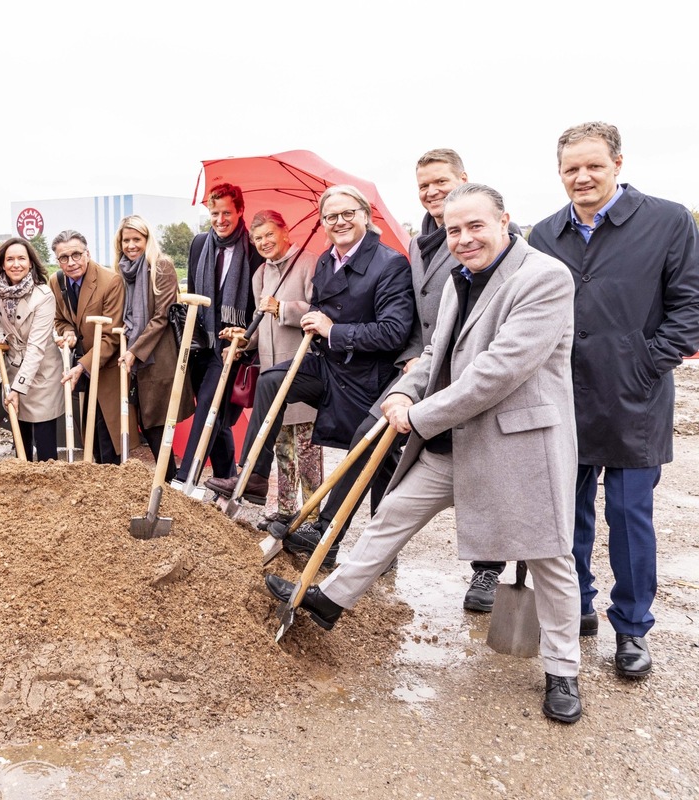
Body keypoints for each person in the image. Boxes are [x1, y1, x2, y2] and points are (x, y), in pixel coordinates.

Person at [267, 184, 585, 723]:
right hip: (452, 442)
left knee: (548, 554)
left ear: (504, 220)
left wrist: (418, 416)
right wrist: (402, 391)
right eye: (455, 230)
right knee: (391, 517)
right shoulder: (460, 281)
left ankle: (563, 669)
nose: (464, 239)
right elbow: (438, 351)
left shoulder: (545, 278)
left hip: (515, 442)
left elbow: (499, 371)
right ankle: (327, 602)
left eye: (475, 227)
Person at [277, 150, 512, 611]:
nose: (432, 192)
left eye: (440, 182)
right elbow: (421, 320)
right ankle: (331, 548)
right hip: (426, 366)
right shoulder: (421, 241)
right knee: (376, 444)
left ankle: (487, 570)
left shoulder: (495, 246)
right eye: (424, 185)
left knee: (484, 472)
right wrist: (411, 364)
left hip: (476, 375)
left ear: (464, 180)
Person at [529, 121, 699, 679]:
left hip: (635, 399)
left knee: (629, 520)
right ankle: (575, 605)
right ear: (559, 173)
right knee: (565, 517)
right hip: (563, 399)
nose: (582, 177)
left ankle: (632, 627)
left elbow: (690, 308)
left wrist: (647, 362)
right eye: (570, 168)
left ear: (618, 164)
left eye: (593, 165)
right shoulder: (545, 235)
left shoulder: (668, 221)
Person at [206, 186, 413, 512]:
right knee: (272, 396)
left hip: (353, 373)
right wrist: (245, 341)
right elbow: (313, 317)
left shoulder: (329, 263)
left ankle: (318, 517)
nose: (339, 221)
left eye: (348, 213)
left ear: (365, 216)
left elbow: (336, 322)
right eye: (331, 216)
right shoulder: (278, 271)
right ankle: (260, 483)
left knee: (354, 455)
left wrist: (291, 311)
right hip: (306, 365)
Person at [177, 183, 262, 484]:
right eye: (215, 213)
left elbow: (257, 302)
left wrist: (245, 339)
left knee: (210, 406)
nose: (220, 219)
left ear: (240, 211)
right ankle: (227, 477)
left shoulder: (253, 250)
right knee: (216, 414)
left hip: (232, 346)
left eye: (227, 212)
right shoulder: (199, 244)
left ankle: (185, 479)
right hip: (202, 342)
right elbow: (195, 292)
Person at [244, 210, 322, 530]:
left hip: (301, 370)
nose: (264, 242)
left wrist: (284, 308)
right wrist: (243, 342)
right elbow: (261, 320)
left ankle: (313, 516)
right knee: (281, 448)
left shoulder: (310, 263)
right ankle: (287, 511)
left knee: (306, 450)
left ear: (286, 231)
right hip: (270, 373)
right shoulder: (260, 275)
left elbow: (321, 311)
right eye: (257, 238)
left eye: (269, 234)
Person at [114, 215, 193, 479]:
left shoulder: (161, 266)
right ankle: (166, 476)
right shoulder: (124, 269)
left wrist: (135, 350)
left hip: (159, 355)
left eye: (137, 239)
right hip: (136, 356)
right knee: (146, 422)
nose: (131, 245)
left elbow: (162, 315)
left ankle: (168, 478)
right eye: (126, 240)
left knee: (157, 420)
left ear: (147, 240)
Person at [51, 230, 125, 463]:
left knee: (108, 440)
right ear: (57, 260)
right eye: (64, 257)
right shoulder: (57, 281)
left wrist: (81, 367)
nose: (71, 262)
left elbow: (111, 336)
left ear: (87, 253)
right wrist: (68, 332)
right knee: (89, 436)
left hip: (107, 365)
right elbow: (60, 319)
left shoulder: (110, 281)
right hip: (82, 364)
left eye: (76, 255)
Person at [0, 236, 64, 460]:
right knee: (20, 442)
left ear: (31, 262)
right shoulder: (1, 291)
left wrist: (17, 389)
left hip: (41, 376)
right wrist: (2, 341)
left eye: (21, 258)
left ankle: (49, 489)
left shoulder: (44, 296)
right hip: (13, 369)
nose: (16, 264)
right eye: (10, 259)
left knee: (45, 446)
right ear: (2, 263)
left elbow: (36, 348)